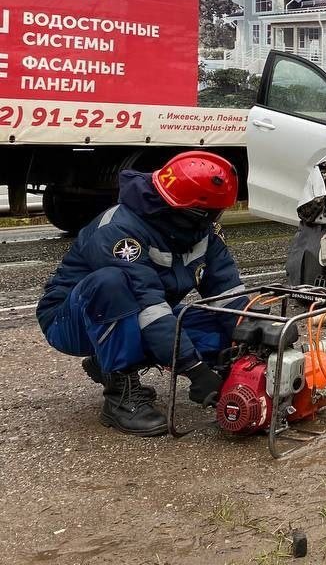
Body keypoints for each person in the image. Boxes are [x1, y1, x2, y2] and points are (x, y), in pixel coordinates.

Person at [36, 151, 247, 436]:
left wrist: (255, 333)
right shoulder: (119, 229)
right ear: (193, 211)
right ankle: (120, 397)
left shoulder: (201, 232)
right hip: (70, 320)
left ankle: (236, 378)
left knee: (222, 320)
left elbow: (228, 292)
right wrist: (194, 370)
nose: (217, 217)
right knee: (111, 282)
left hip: (138, 313)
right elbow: (149, 306)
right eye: (215, 211)